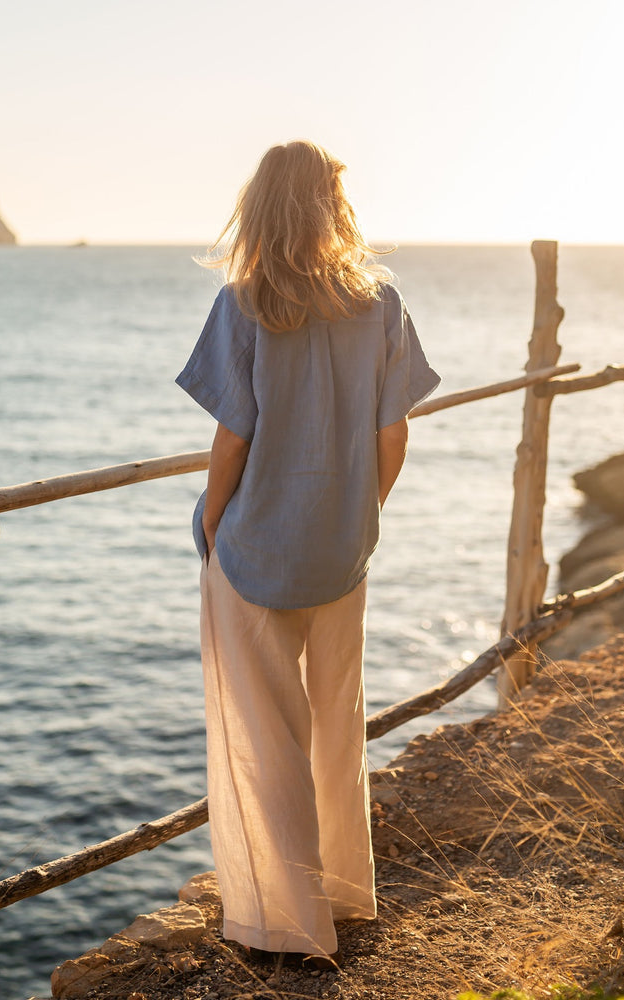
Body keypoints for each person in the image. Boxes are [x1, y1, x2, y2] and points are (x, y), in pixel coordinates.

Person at [176, 140, 440, 969]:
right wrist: (357, 511)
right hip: (342, 547)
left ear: (261, 207)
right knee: (336, 726)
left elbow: (233, 439)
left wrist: (211, 524)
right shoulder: (380, 302)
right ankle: (344, 894)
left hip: (256, 546)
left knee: (263, 735)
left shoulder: (244, 301)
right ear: (333, 207)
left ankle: (287, 925)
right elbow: (393, 435)